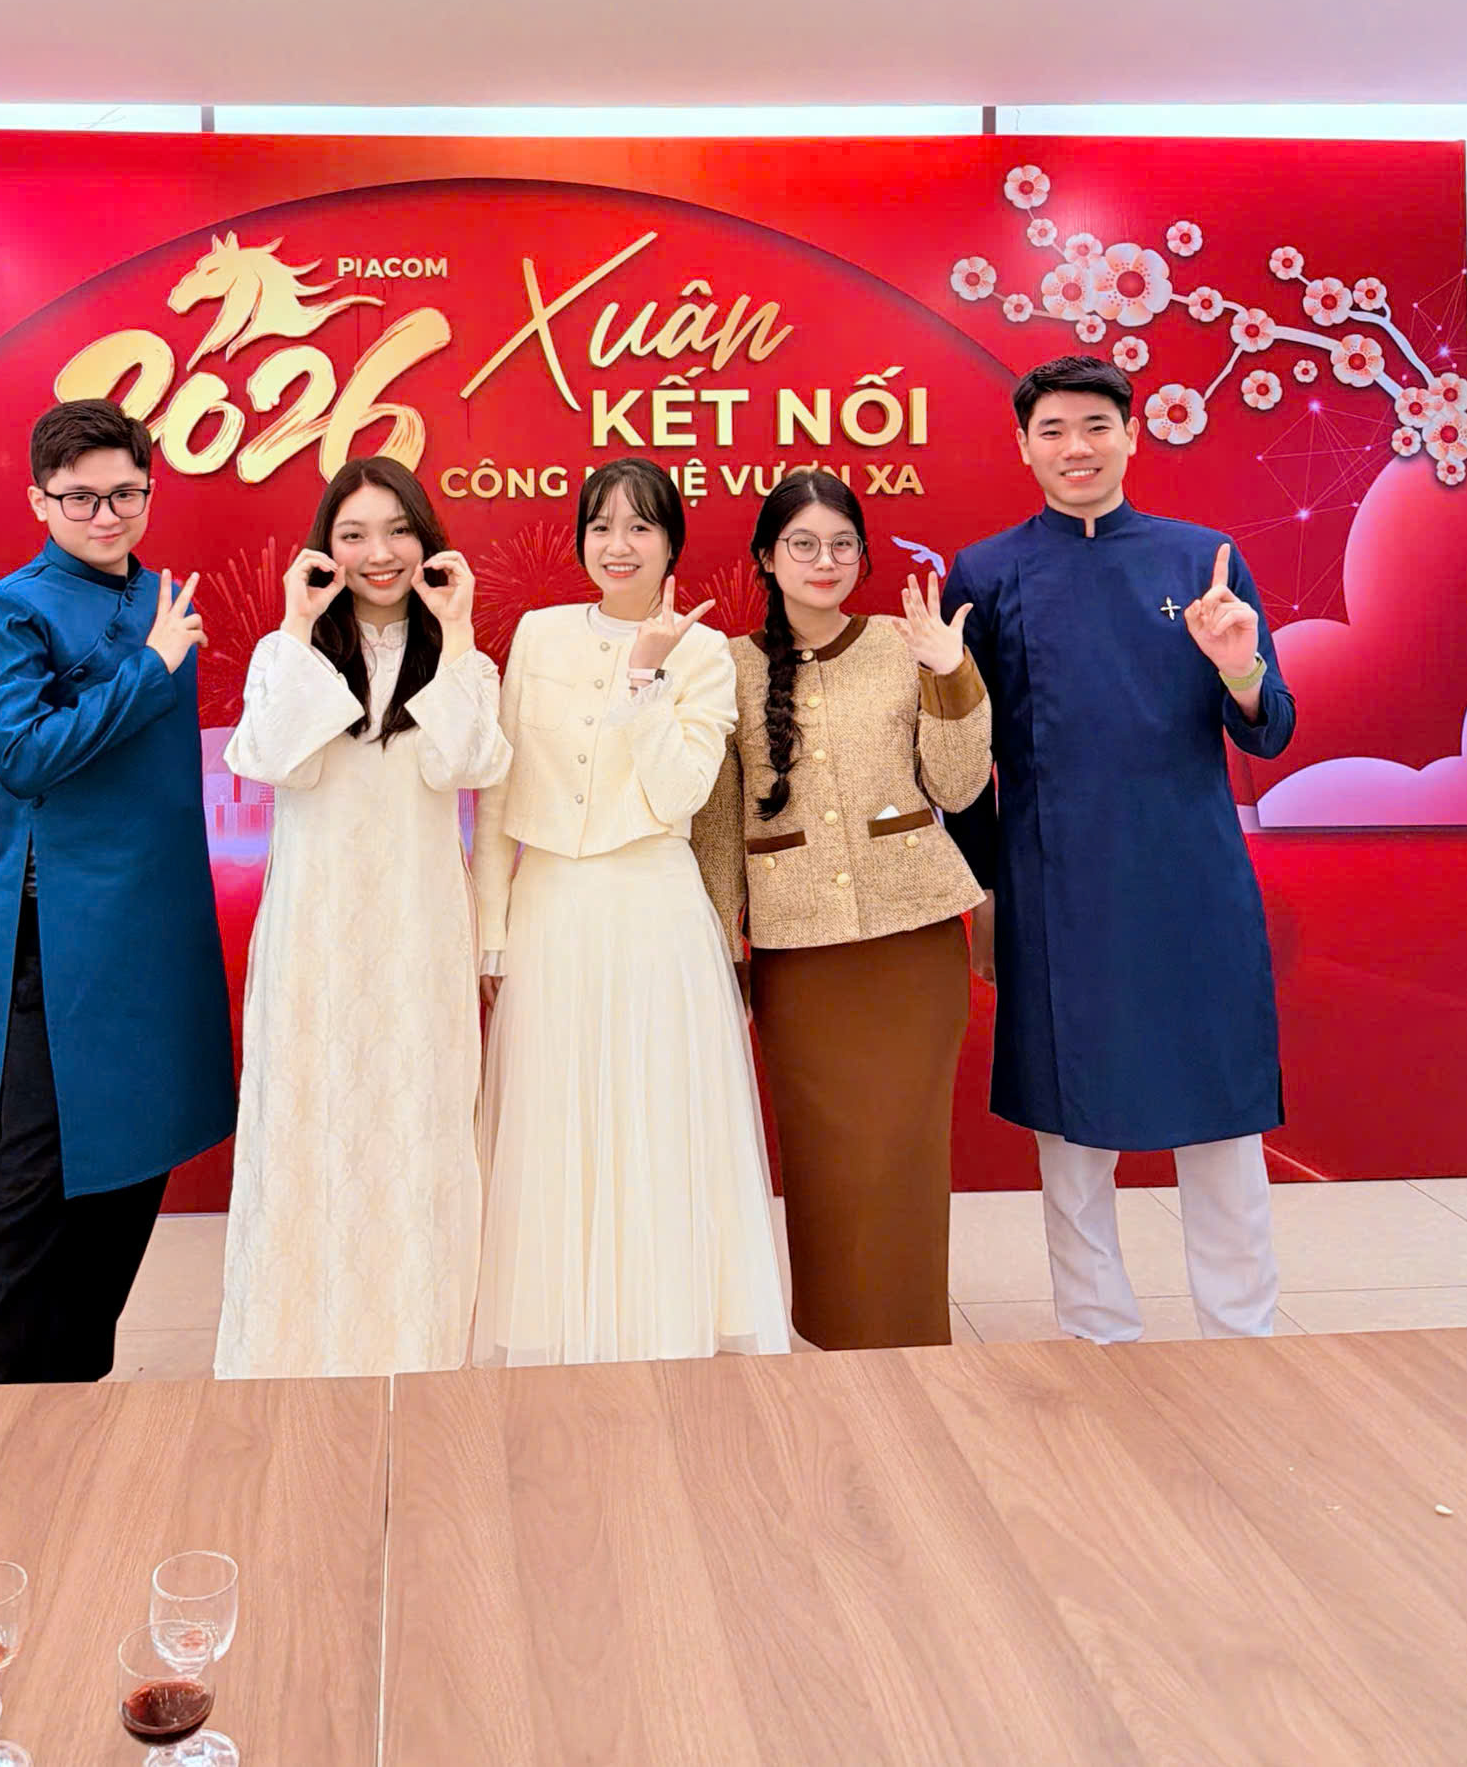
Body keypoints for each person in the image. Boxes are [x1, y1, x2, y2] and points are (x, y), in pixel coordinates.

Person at [942, 353, 1296, 1345]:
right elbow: (964, 757)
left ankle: (1242, 1337)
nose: (1076, 447)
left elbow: (1270, 730)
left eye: (1096, 426)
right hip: (1056, 889)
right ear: (1022, 447)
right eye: (1052, 430)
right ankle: (1097, 1337)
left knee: (1221, 1118)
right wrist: (983, 891)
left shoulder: (1203, 562)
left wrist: (1240, 668)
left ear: (1132, 436)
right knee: (1072, 1128)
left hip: (1192, 880)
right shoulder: (986, 572)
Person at [471, 457, 788, 1367]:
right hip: (549, 909)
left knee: (655, 1120)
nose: (618, 545)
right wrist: (489, 931)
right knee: (552, 1122)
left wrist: (646, 676)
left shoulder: (706, 654)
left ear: (670, 544)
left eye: (640, 526)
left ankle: (660, 1327)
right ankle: (551, 1330)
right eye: (601, 525)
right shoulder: (536, 634)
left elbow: (680, 792)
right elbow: (497, 796)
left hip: (653, 910)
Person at [0, 397, 236, 1385]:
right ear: (40, 499)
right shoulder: (12, 609)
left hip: (158, 923)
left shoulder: (162, 593)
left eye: (126, 494)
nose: (106, 514)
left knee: (135, 1162)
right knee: (34, 1188)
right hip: (61, 928)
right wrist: (152, 668)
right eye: (81, 497)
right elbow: (24, 757)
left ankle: (71, 1392)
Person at [214, 457, 508, 1378]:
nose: (378, 553)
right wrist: (297, 627)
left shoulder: (463, 662)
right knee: (310, 1124)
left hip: (419, 933)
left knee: (418, 1127)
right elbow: (270, 760)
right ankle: (295, 1352)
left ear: (427, 540)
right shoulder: (287, 654)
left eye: (396, 531)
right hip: (316, 934)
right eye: (353, 535)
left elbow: (466, 765)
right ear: (324, 549)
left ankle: (419, 1348)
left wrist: (456, 632)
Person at [693, 473, 991, 1350]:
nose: (822, 561)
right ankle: (830, 1344)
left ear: (861, 556)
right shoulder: (727, 665)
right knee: (823, 1159)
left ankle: (914, 1346)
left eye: (840, 545)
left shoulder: (908, 644)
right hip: (796, 953)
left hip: (912, 942)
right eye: (802, 544)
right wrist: (723, 951)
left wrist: (950, 672)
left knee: (904, 1155)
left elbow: (957, 787)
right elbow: (716, 829)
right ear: (766, 557)